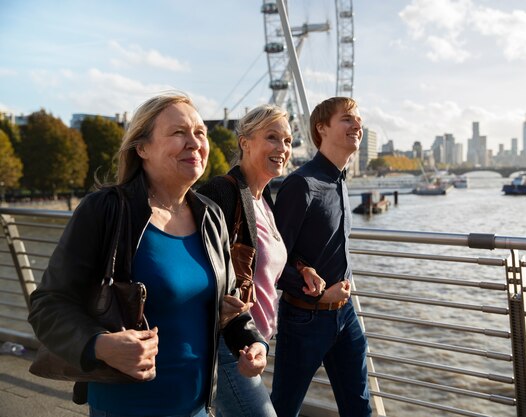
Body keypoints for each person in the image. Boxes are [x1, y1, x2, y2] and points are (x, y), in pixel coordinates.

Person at [28, 92, 267, 417]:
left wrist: (251, 342)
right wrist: (101, 345)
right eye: (178, 132)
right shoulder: (106, 211)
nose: (194, 142)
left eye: (200, 133)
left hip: (197, 406)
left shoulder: (211, 216)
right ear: (142, 148)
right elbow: (48, 304)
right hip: (126, 407)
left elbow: (230, 303)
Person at [197, 104, 325, 417]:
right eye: (272, 138)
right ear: (245, 142)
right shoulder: (222, 193)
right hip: (228, 343)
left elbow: (266, 257)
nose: (282, 148)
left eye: (288, 141)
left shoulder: (263, 201)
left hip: (256, 344)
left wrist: (302, 268)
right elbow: (198, 263)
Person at [271, 97, 372, 417]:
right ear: (321, 128)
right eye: (347, 119)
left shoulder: (340, 181)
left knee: (359, 406)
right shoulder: (302, 184)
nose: (357, 124)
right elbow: (272, 259)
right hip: (305, 320)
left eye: (358, 119)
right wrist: (313, 291)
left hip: (345, 315)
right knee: (284, 407)